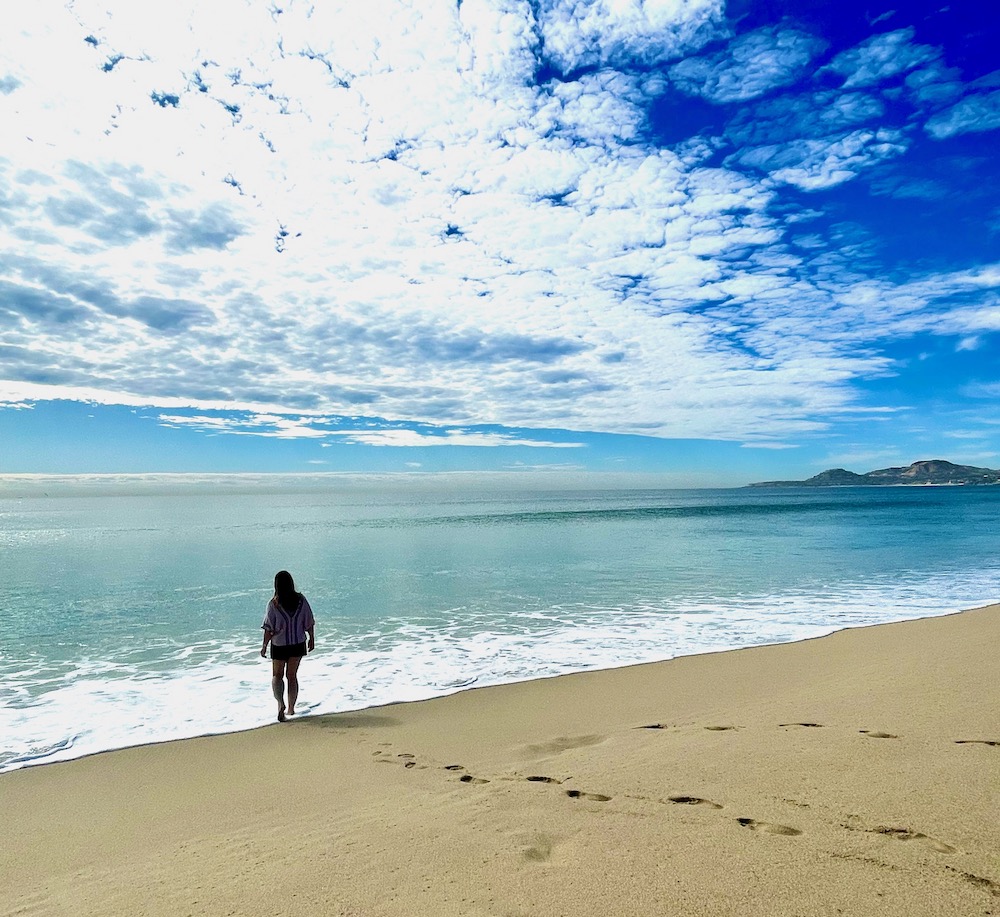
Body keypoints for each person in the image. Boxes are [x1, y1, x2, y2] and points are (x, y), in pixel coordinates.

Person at [260, 570, 315, 722]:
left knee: (277, 676)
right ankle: (291, 708)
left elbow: (269, 629)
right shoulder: (301, 600)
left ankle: (280, 705)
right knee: (292, 676)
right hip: (297, 644)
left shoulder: (273, 604)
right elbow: (309, 621)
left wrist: (264, 646)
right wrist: (312, 639)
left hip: (279, 645)